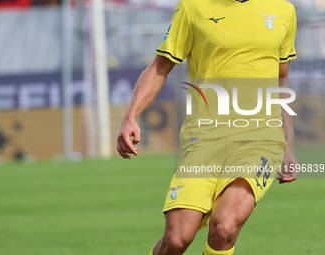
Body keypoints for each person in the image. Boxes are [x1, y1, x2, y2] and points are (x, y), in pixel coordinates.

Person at [117, 0, 298, 254]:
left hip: (261, 138)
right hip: (204, 137)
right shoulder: (193, 7)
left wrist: (288, 145)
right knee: (177, 239)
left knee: (224, 228)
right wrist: (131, 116)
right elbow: (161, 66)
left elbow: (281, 79)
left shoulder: (283, 10)